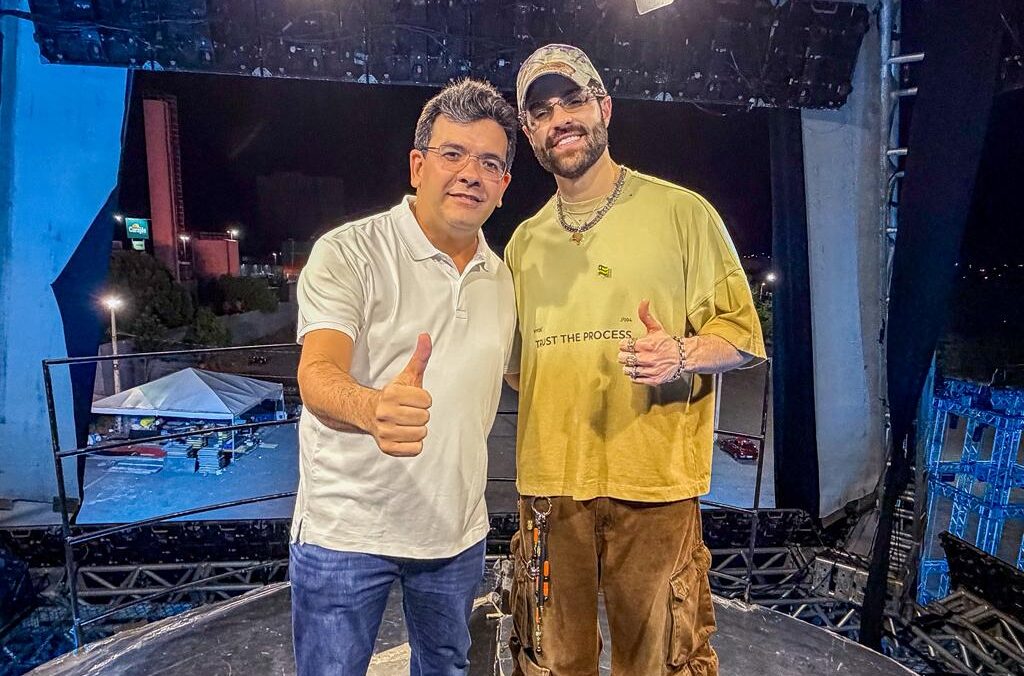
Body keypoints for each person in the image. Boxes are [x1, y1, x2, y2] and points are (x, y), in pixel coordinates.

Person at [503, 44, 767, 675]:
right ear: (530, 133)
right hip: (550, 491)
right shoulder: (522, 244)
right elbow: (517, 369)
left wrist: (680, 353)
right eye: (542, 111)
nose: (560, 118)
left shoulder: (682, 213)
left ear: (605, 108)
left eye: (573, 100)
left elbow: (740, 335)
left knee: (662, 664)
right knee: (550, 663)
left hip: (654, 487)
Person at [290, 78, 518, 676]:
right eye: (453, 154)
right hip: (346, 530)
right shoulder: (350, 252)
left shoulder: (502, 280)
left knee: (445, 668)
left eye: (489, 163)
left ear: (503, 186)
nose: (470, 174)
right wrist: (372, 410)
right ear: (418, 166)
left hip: (454, 533)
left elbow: (521, 376)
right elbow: (317, 372)